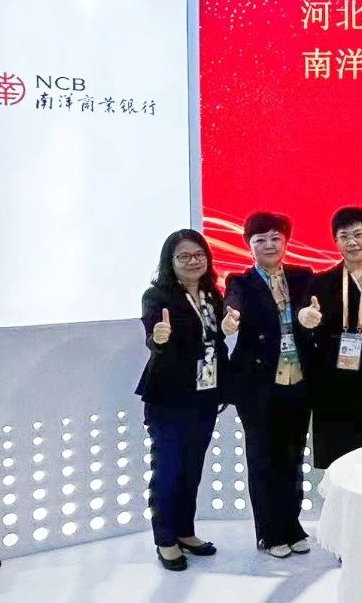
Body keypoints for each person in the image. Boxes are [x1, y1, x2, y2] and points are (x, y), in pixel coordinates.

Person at [138, 229, 238, 571]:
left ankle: (184, 531)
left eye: (198, 255)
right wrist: (157, 336)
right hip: (169, 397)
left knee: (191, 468)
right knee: (168, 469)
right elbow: (153, 333)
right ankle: (165, 539)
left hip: (204, 395)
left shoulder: (213, 294)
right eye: (184, 256)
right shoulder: (157, 296)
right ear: (170, 261)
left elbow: (214, 340)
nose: (193, 261)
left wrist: (226, 329)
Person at [225, 211, 316, 559]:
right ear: (249, 245)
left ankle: (292, 525)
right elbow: (233, 303)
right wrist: (231, 317)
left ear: (286, 241)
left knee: (293, 456)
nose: (268, 245)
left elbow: (312, 308)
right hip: (258, 385)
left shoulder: (302, 276)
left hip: (298, 380)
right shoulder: (240, 281)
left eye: (275, 238)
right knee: (264, 458)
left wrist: (310, 316)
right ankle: (269, 531)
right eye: (260, 239)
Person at [296, 207, 362, 469]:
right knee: (336, 466)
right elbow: (305, 317)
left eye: (358, 234)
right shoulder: (322, 282)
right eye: (344, 236)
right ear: (335, 241)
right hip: (332, 387)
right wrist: (305, 318)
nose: (352, 242)